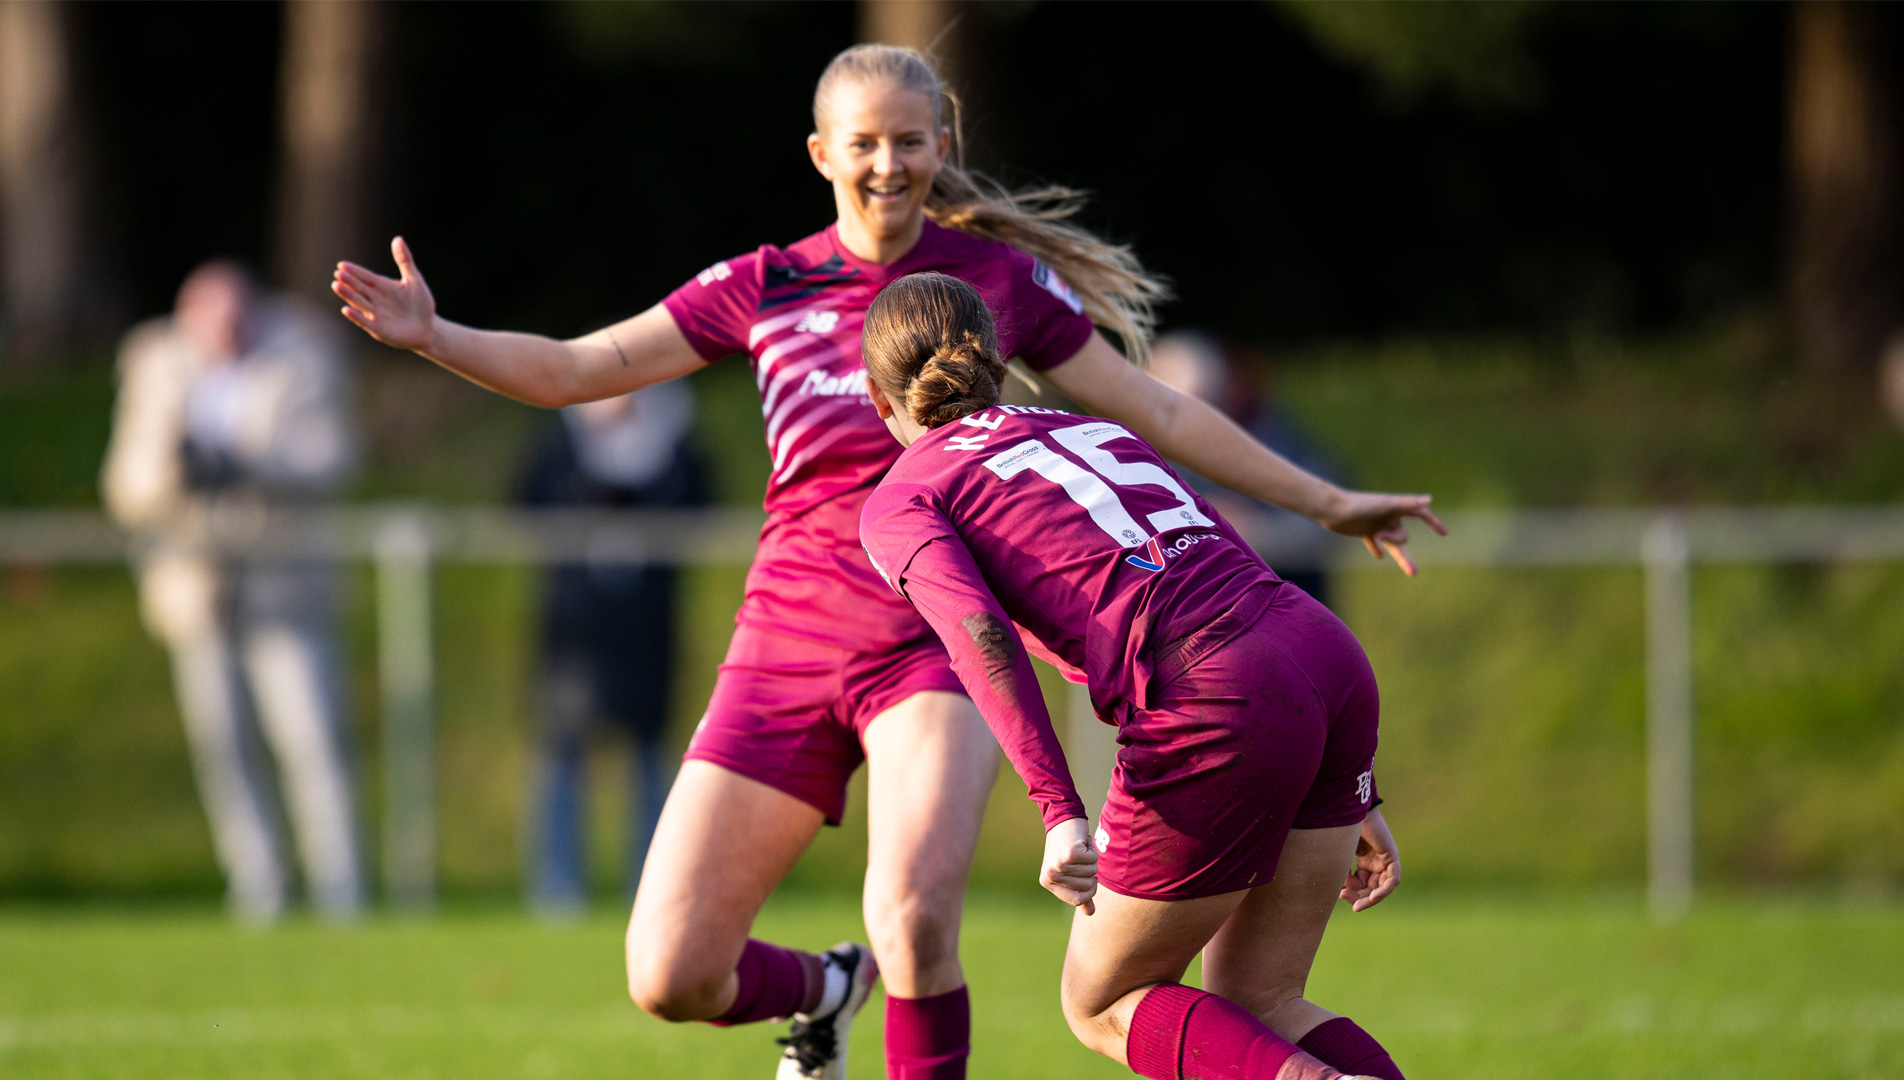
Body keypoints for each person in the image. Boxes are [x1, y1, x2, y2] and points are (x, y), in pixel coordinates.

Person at [331, 44, 1436, 1080]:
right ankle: (823, 992)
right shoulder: (769, 285)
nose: (887, 163)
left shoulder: (993, 285)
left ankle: (889, 988)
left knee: (910, 915)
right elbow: (578, 368)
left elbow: (1151, 407)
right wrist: (437, 337)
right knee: (669, 973)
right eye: (862, 142)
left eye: (909, 140)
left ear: (941, 144)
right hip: (787, 640)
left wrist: (1327, 500)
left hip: (939, 647)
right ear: (821, 154)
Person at [856, 273, 1419, 1080]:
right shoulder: (1081, 427)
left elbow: (980, 637)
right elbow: (1219, 548)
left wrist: (1058, 809)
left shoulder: (905, 494)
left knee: (1101, 1002)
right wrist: (1346, 780)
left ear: (880, 400)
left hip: (1215, 692)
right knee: (1262, 1004)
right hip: (1315, 650)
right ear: (1000, 365)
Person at [101, 259, 365, 923]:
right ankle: (258, 885)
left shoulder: (301, 353)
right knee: (224, 746)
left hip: (285, 586)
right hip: (196, 588)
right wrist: (175, 468)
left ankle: (341, 888)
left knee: (311, 739)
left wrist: (249, 464)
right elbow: (125, 486)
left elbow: (332, 455)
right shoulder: (155, 364)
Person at [516, 380, 708, 914]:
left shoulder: (674, 445)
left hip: (648, 630)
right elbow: (527, 504)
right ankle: (556, 891)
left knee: (649, 757)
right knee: (561, 753)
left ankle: (650, 886)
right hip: (574, 630)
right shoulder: (560, 443)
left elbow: (698, 508)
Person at [1148, 331, 1350, 609]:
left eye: (1200, 402)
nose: (1181, 424)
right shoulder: (1134, 456)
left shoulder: (1276, 438)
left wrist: (1255, 531)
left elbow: (1326, 528)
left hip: (1294, 609)